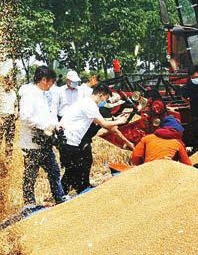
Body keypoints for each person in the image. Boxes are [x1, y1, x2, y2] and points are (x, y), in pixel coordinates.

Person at [59, 83, 128, 194]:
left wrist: (116, 119)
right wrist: (120, 121)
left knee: (74, 169)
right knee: (75, 169)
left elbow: (102, 121)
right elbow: (105, 124)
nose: (105, 101)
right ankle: (69, 194)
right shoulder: (90, 105)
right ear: (100, 95)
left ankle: (72, 192)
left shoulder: (85, 102)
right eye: (105, 98)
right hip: (69, 140)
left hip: (69, 140)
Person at [19, 65, 67, 209]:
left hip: (45, 141)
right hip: (32, 142)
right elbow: (26, 117)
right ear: (44, 80)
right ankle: (29, 203)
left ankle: (59, 196)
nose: (51, 86)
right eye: (51, 83)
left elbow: (46, 115)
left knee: (54, 170)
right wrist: (44, 126)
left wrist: (55, 125)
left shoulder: (42, 94)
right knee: (31, 174)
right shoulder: (29, 94)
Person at [0, 76, 17, 157]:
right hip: (2, 118)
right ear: (4, 83)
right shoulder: (1, 93)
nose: (10, 86)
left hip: (11, 119)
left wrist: (16, 113)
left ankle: (8, 161)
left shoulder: (13, 93)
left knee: (9, 141)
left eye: (11, 84)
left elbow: (16, 105)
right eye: (8, 84)